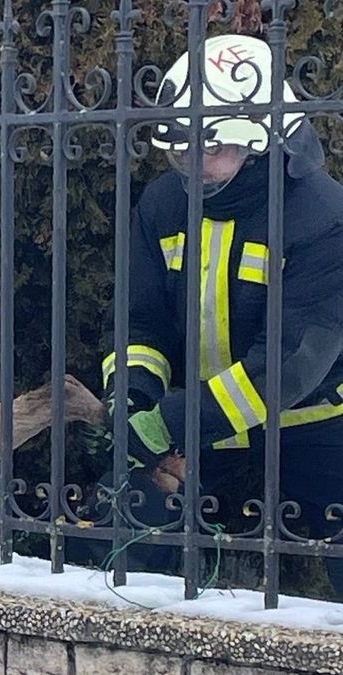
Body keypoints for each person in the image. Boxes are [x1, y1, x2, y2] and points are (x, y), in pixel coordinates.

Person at [104, 34, 343, 591]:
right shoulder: (164, 203)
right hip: (200, 434)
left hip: (312, 433)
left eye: (209, 148)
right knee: (123, 536)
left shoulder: (323, 216)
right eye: (179, 146)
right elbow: (142, 324)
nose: (190, 161)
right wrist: (133, 399)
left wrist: (169, 421)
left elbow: (288, 364)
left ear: (261, 142)